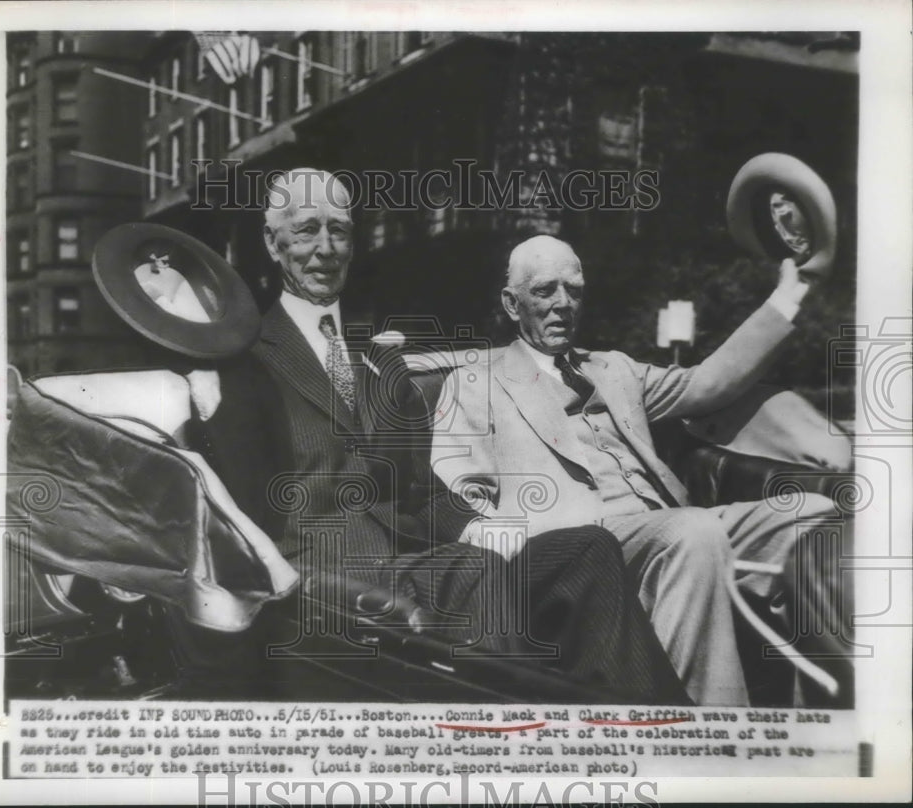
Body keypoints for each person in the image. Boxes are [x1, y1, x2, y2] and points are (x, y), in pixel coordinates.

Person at [200, 169, 689, 704]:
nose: (325, 247)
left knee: (587, 550)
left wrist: (482, 527)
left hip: (422, 562)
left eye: (338, 230)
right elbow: (236, 515)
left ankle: (664, 734)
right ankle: (516, 741)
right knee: (472, 570)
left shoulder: (380, 359)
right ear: (273, 243)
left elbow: (419, 492)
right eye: (306, 230)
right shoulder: (244, 361)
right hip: (326, 578)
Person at [430, 234, 839, 706]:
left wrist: (790, 293)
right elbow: (463, 500)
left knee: (812, 515)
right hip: (582, 546)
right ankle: (706, 729)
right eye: (544, 291)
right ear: (511, 303)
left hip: (670, 522)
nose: (563, 303)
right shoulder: (475, 382)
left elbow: (708, 383)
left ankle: (813, 708)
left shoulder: (615, 369)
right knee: (692, 532)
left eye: (574, 290)